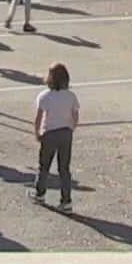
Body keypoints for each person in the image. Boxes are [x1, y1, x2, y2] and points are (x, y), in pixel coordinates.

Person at [33, 61, 80, 211]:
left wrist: (37, 132)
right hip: (65, 132)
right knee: (64, 168)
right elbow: (75, 115)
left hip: (50, 133)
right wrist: (71, 128)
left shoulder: (44, 96)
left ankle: (40, 194)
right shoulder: (71, 96)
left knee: (44, 166)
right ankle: (66, 200)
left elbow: (39, 117)